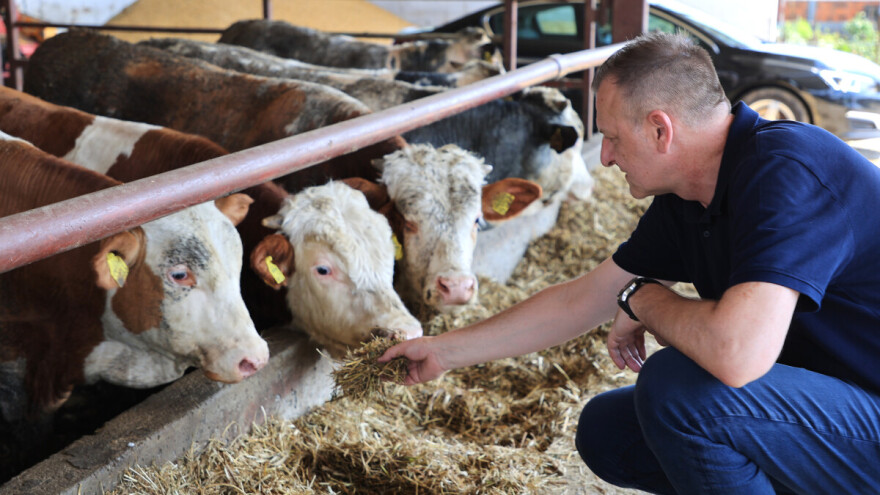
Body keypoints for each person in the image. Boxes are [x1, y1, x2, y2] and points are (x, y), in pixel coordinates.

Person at [379, 31, 880, 494]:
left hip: (869, 414)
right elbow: (582, 299)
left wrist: (645, 298)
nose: (606, 158)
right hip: (834, 405)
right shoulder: (691, 194)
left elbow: (736, 354)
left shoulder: (786, 174)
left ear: (661, 130)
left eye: (613, 138)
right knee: (610, 430)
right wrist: (444, 352)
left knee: (677, 391)